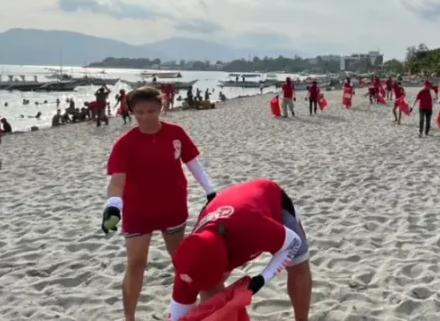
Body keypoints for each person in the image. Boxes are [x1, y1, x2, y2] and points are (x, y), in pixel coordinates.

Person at [101, 86, 218, 321]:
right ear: (132, 111)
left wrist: (211, 191)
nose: (145, 117)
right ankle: (129, 317)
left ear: (161, 108)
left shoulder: (176, 133)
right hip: (138, 212)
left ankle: (189, 310)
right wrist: (113, 207)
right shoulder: (125, 143)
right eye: (140, 112)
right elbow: (117, 182)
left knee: (181, 261)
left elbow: (192, 162)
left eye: (151, 111)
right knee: (136, 264)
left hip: (172, 208)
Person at [168, 178, 312, 321]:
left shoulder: (253, 228)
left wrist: (261, 280)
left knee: (299, 266)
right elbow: (177, 315)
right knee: (210, 292)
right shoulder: (187, 263)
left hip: (268, 199)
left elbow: (293, 242)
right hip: (222, 213)